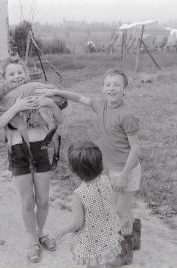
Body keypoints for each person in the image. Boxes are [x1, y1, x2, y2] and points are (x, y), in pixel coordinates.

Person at [45, 68, 142, 265]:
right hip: (109, 168)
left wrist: (124, 174)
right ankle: (135, 232)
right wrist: (57, 92)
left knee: (120, 211)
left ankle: (125, 253)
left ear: (125, 90)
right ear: (102, 89)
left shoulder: (127, 115)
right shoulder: (101, 105)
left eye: (117, 85)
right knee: (121, 208)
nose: (112, 88)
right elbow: (79, 97)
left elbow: (136, 148)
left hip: (126, 170)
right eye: (108, 85)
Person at [0, 56, 63, 263]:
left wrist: (49, 102)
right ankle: (32, 241)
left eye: (19, 72)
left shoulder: (36, 92)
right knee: (27, 201)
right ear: (4, 78)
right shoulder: (3, 101)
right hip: (18, 152)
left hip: (40, 150)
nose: (16, 77)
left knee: (43, 200)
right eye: (11, 74)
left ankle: (41, 233)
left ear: (26, 74)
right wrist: (16, 107)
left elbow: (60, 120)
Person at [53, 141, 122, 268]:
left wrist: (62, 231)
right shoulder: (107, 180)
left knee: (94, 264)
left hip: (92, 242)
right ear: (100, 163)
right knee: (103, 261)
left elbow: (77, 223)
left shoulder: (79, 194)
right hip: (108, 234)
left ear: (74, 170)